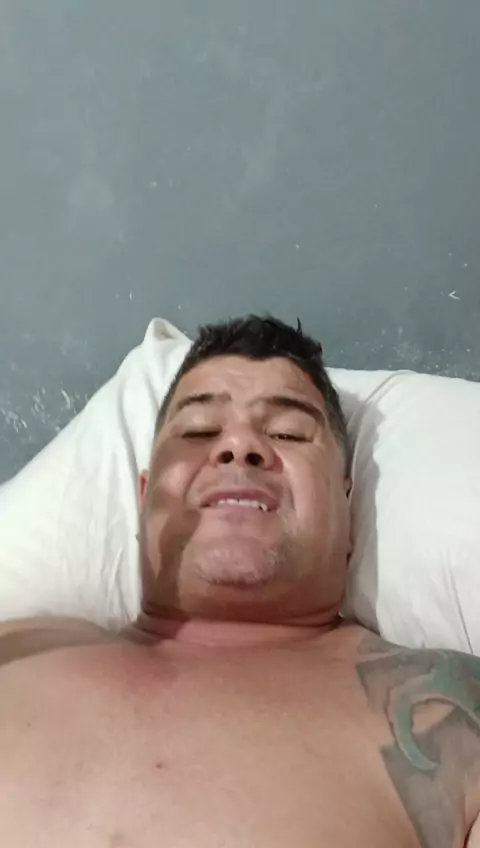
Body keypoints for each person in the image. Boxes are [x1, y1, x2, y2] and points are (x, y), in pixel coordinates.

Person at [1, 315, 479, 848]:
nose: (239, 445)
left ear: (348, 507)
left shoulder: (449, 714)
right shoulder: (17, 651)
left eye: (287, 433)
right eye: (199, 430)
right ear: (143, 498)